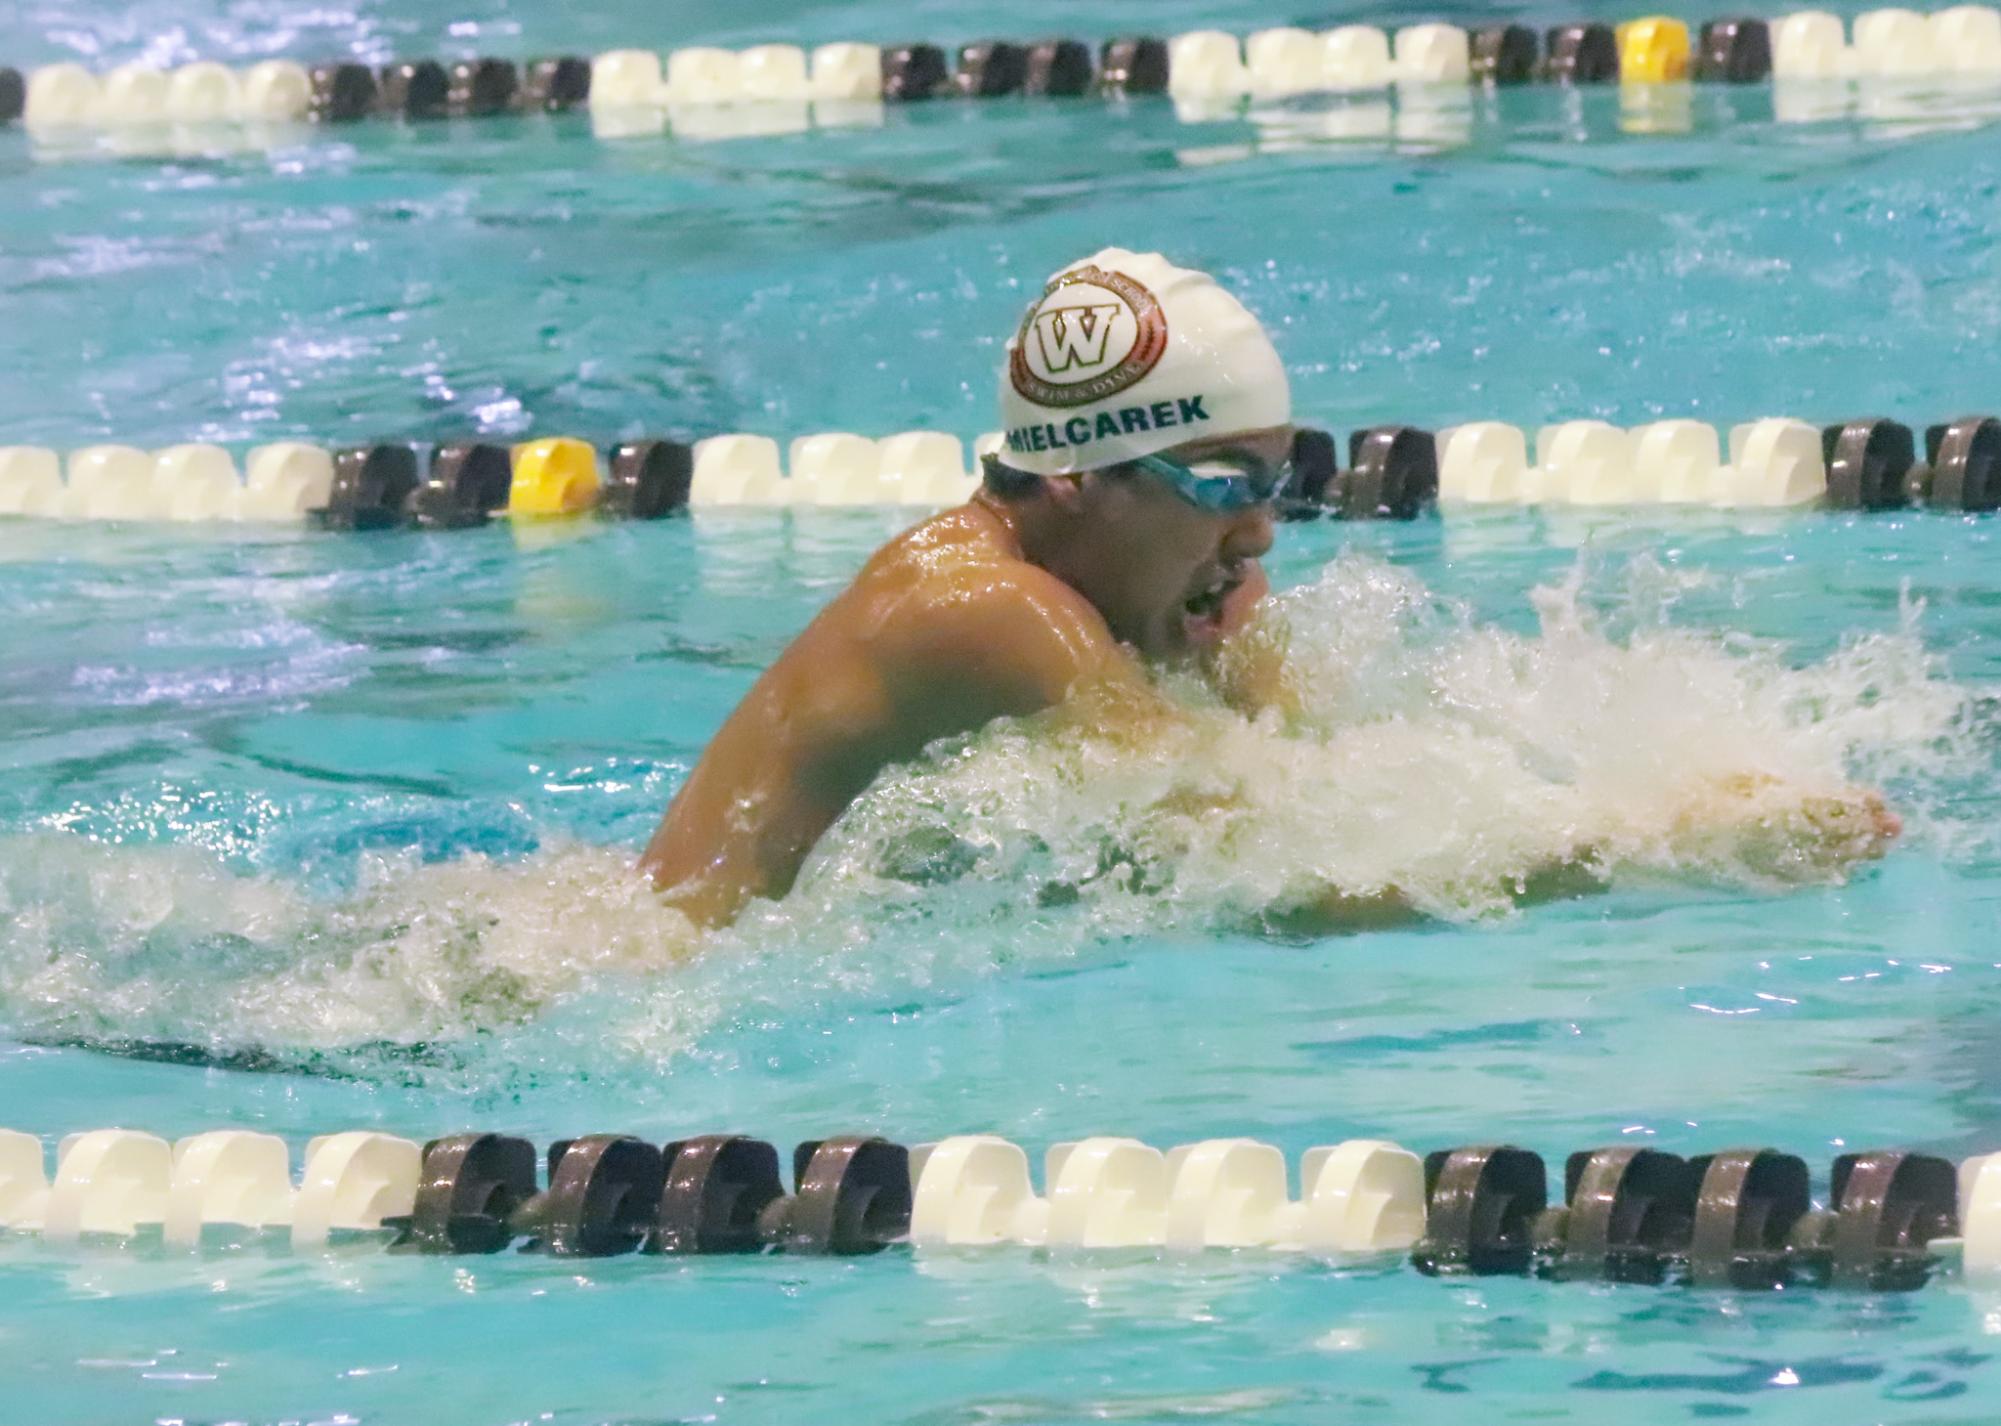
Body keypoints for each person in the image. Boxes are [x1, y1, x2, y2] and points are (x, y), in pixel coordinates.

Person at [641, 248, 1900, 928]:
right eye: (1218, 484)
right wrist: (1659, 849)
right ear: (1082, 475)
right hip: (629, 985)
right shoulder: (985, 612)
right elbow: (1256, 872)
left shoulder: (1132, 604)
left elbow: (1320, 776)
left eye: (1277, 480)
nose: (1259, 531)